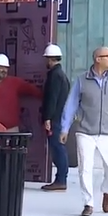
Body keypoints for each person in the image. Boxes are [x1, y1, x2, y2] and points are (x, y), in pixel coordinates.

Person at [60, 46, 108, 216]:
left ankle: (107, 192)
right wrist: (65, 128)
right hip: (85, 131)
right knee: (85, 168)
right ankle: (88, 203)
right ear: (97, 59)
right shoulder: (82, 80)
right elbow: (71, 105)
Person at [40, 44, 71, 191]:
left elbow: (51, 98)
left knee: (58, 148)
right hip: (60, 117)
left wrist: (47, 118)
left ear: (50, 59)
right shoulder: (61, 75)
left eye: (46, 59)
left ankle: (60, 180)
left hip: (55, 119)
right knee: (59, 147)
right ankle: (61, 178)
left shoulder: (54, 76)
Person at [0, 53, 43, 131]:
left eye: (6, 68)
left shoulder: (15, 82)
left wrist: (48, 98)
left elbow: (33, 90)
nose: (4, 70)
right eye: (1, 67)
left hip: (11, 131)